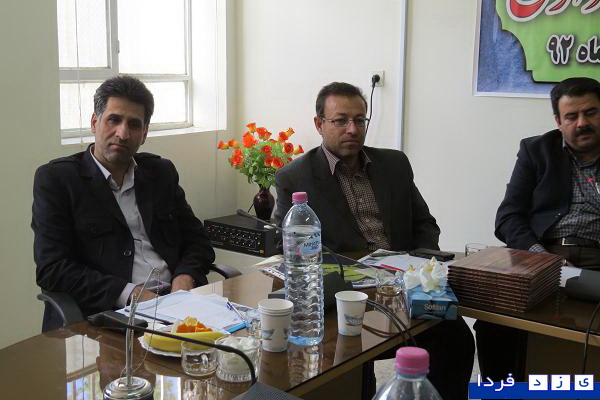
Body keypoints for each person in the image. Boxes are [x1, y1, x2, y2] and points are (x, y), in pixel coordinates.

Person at [274, 82, 475, 400]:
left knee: (456, 337)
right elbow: (287, 248)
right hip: (348, 294)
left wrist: (421, 268)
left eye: (359, 120)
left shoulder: (394, 165)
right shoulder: (295, 177)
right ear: (319, 124)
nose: (352, 129)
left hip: (402, 287)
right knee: (348, 361)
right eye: (341, 120)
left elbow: (424, 224)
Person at [32, 75, 215, 332]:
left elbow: (198, 241)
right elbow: (53, 269)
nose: (123, 133)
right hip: (108, 316)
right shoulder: (58, 180)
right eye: (114, 120)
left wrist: (185, 277)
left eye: (134, 124)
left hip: (177, 306)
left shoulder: (160, 172)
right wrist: (131, 294)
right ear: (94, 123)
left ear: (145, 133)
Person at [484, 77, 600, 383]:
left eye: (591, 113)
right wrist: (543, 258)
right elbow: (508, 218)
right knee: (494, 319)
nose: (582, 123)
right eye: (571, 116)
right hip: (543, 254)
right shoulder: (536, 150)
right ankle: (504, 393)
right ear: (558, 121)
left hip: (597, 258)